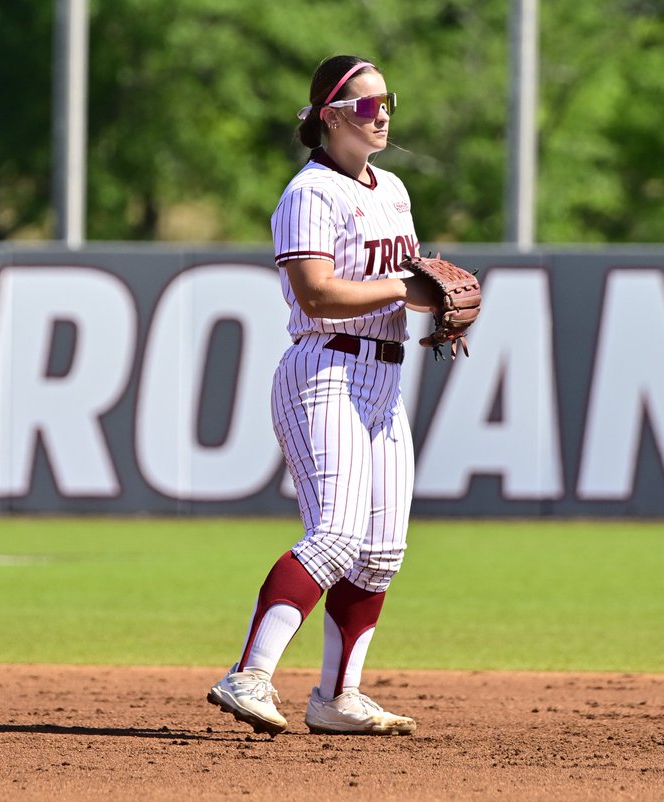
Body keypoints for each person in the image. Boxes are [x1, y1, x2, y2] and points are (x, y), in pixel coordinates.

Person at [206, 55, 437, 736]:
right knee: (336, 534)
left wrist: (440, 307)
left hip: (384, 377)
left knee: (383, 549)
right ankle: (247, 675)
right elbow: (316, 292)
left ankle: (338, 697)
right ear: (331, 117)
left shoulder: (391, 188)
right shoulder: (309, 194)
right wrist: (404, 289)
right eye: (367, 106)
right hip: (324, 372)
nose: (383, 114)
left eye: (387, 101)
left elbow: (412, 280)